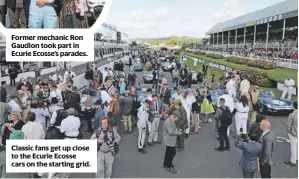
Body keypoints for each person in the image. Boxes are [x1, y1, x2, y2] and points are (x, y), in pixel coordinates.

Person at [285, 102, 298, 166]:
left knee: (293, 146)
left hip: (294, 133)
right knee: (297, 145)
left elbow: (288, 125)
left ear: (293, 106)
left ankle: (293, 161)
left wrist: (289, 131)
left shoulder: (292, 115)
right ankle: (297, 157)